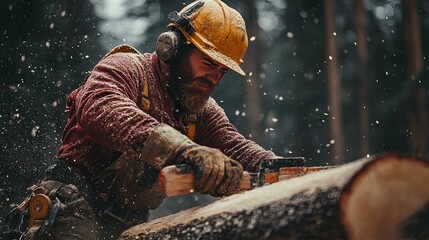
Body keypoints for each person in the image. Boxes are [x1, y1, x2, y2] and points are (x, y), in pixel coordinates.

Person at [9, 0, 278, 239]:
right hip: (72, 205)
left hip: (129, 224)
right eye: (208, 64)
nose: (213, 78)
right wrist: (183, 150)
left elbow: (237, 148)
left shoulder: (201, 110)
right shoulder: (126, 68)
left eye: (221, 71)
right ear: (173, 48)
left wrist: (276, 167)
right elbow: (100, 108)